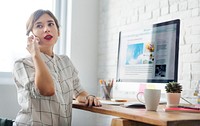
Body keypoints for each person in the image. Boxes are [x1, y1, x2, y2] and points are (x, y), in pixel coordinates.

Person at [13, 9, 101, 126]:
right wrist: (35, 54)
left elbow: (79, 92)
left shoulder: (65, 61)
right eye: (39, 26)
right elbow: (47, 90)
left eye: (50, 24)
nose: (47, 29)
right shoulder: (22, 64)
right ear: (31, 35)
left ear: (58, 32)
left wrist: (89, 97)